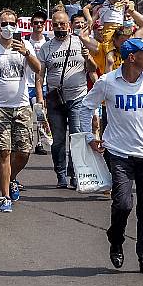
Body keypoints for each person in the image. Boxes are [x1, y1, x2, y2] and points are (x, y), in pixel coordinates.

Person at [79, 38, 143, 276]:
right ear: (132, 57)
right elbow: (87, 106)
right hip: (118, 153)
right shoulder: (108, 82)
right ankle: (116, 238)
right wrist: (89, 136)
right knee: (123, 204)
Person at [0, 9, 42, 213]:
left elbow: (38, 69)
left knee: (23, 152)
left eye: (11, 23)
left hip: (21, 106)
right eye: (3, 24)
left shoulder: (24, 46)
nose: (7, 27)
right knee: (3, 152)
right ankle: (5, 196)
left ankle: (11, 178)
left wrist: (26, 53)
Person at [37, 11, 91, 189]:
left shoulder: (80, 42)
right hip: (55, 100)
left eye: (63, 24)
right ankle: (61, 175)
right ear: (51, 26)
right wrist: (40, 98)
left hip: (78, 97)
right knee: (58, 140)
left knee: (77, 137)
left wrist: (87, 57)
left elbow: (93, 69)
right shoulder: (47, 47)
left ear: (69, 24)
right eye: (56, 24)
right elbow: (40, 75)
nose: (60, 27)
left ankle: (76, 174)